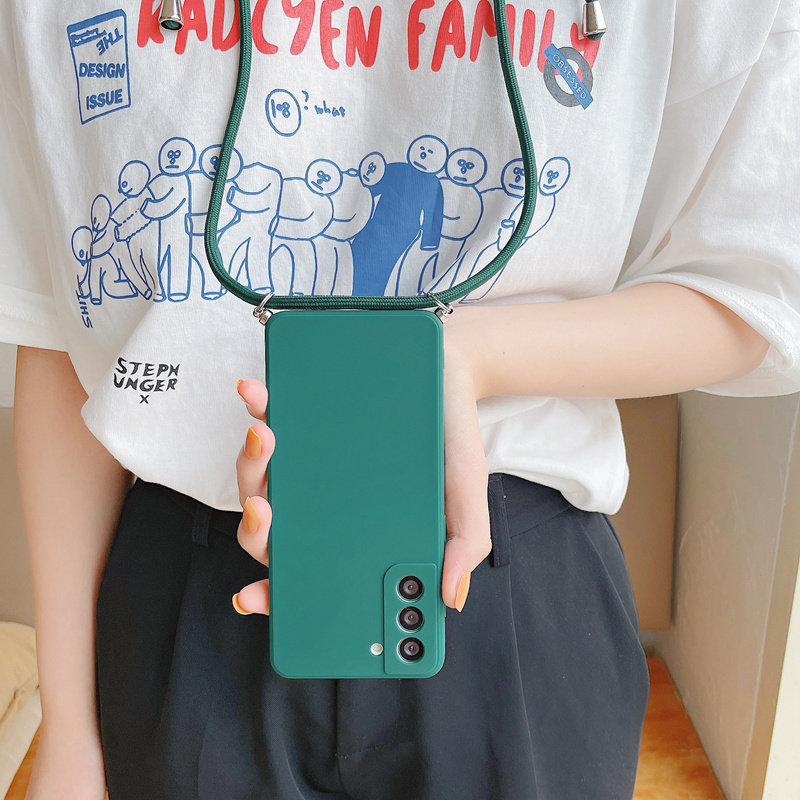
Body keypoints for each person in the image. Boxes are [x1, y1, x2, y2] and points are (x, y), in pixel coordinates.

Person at [3, 0, 799, 798]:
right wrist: (69, 727)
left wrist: (461, 357)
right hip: (190, 591)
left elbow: (758, 287)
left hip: (508, 581)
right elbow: (61, 316)